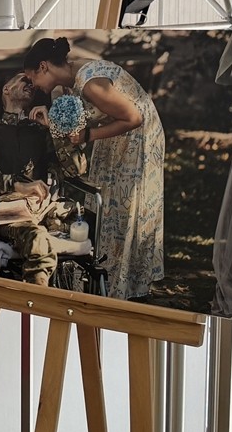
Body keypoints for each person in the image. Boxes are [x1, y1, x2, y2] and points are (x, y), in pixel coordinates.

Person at [23, 36, 165, 300]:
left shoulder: (89, 84)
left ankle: (126, 283)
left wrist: (89, 136)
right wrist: (52, 120)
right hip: (113, 133)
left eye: (32, 79)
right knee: (108, 203)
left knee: (125, 204)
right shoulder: (67, 81)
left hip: (136, 136)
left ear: (43, 66)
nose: (33, 86)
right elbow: (74, 127)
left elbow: (134, 117)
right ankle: (109, 276)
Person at [0, 73, 83, 286]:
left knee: (87, 226)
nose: (30, 83)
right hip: (12, 210)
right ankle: (36, 305)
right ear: (6, 90)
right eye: (22, 79)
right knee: (39, 241)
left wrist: (54, 130)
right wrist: (15, 183)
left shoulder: (42, 131)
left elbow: (75, 169)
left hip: (48, 208)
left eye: (32, 82)